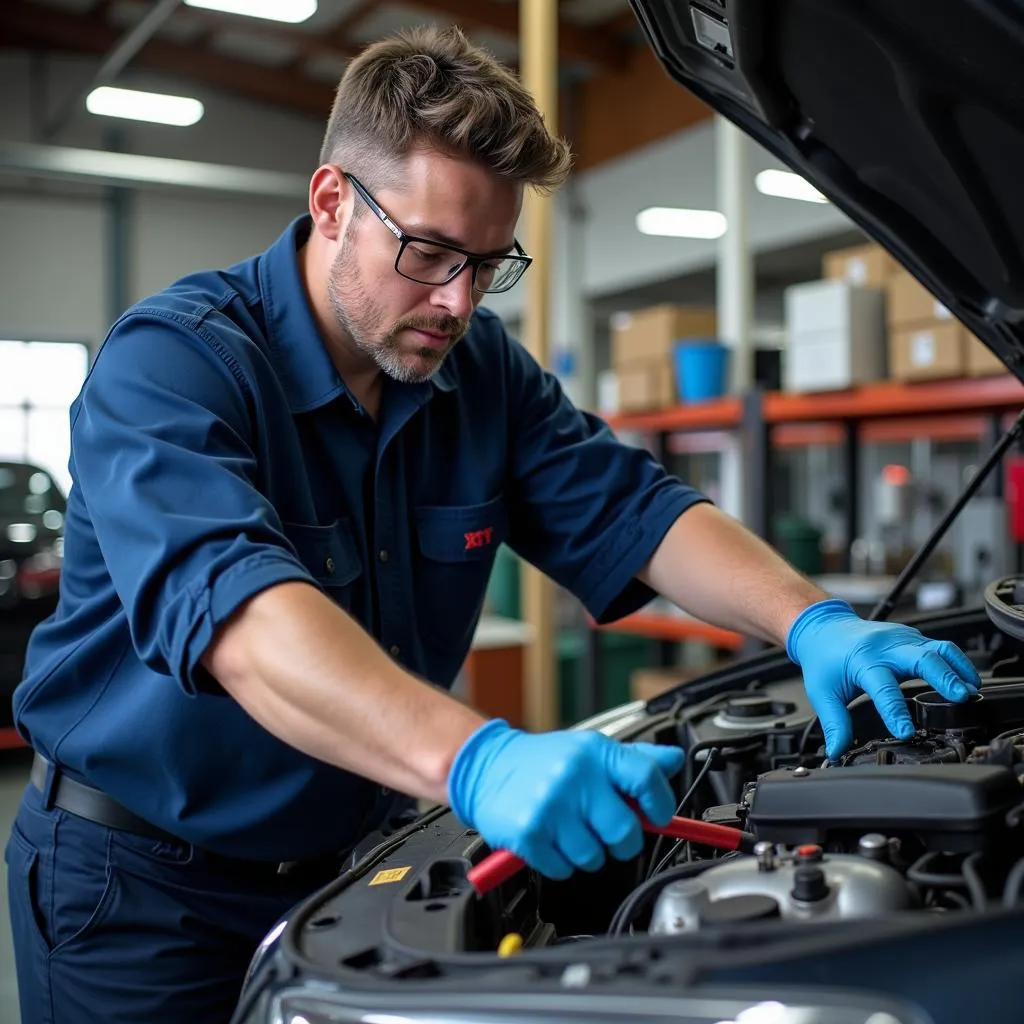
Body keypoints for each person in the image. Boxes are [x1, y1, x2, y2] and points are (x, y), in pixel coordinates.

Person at [5, 24, 981, 1024]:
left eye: (487, 263)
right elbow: (239, 616)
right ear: (333, 201)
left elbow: (633, 509)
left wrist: (811, 619)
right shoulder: (174, 365)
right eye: (428, 253)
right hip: (139, 890)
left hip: (350, 870)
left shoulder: (476, 373)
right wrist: (476, 757)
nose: (456, 301)